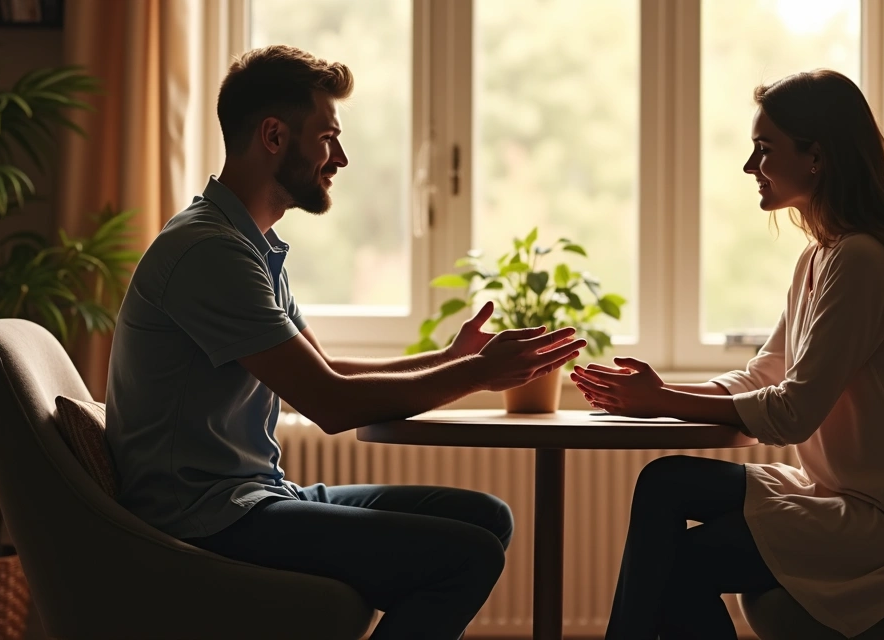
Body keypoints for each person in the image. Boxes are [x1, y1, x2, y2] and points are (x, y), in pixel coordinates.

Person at [104, 45, 585, 640]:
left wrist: (451, 358)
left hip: (257, 494)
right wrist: (478, 375)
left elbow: (321, 367)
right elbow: (330, 403)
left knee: (484, 519)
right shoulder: (209, 252)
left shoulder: (247, 244)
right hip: (206, 516)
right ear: (274, 136)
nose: (342, 157)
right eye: (328, 136)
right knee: (468, 555)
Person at [571, 69, 884, 639]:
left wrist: (663, 398)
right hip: (849, 496)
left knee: (680, 562)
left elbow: (794, 411)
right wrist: (660, 396)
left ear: (817, 156)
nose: (749, 167)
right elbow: (767, 371)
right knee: (663, 485)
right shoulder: (823, 257)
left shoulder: (862, 260)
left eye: (764, 150)